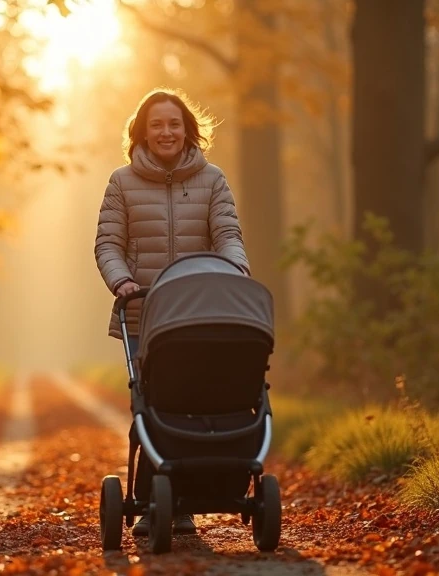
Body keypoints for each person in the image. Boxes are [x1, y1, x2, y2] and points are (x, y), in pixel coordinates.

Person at [93, 88, 250, 537]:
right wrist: (121, 281)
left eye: (174, 124)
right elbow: (108, 244)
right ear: (142, 131)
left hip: (202, 313)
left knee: (199, 401)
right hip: (145, 312)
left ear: (187, 130)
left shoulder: (213, 179)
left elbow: (227, 232)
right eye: (157, 124)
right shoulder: (121, 182)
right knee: (155, 406)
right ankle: (153, 501)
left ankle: (182, 500)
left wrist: (236, 265)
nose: (166, 132)